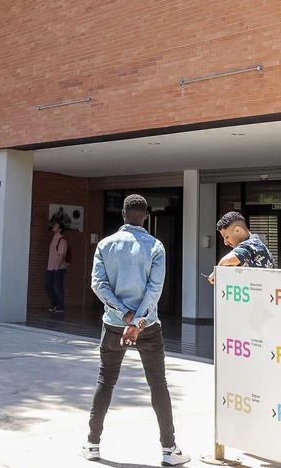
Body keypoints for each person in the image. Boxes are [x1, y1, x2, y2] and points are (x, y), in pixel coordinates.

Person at [82, 194, 190, 466]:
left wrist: (124, 314)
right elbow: (155, 290)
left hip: (113, 325)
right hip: (148, 327)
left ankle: (92, 445)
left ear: (123, 213)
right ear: (146, 215)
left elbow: (98, 285)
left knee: (105, 381)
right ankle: (169, 450)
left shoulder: (105, 246)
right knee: (158, 385)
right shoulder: (155, 246)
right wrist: (138, 320)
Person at [207, 211, 275, 285]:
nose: (225, 243)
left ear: (237, 230)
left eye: (226, 237)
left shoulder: (250, 245)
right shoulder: (257, 243)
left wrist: (216, 273)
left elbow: (226, 260)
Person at [44, 220, 68, 313]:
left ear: (60, 229)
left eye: (56, 225)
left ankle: (60, 306)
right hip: (50, 267)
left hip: (58, 268)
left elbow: (61, 255)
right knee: (48, 285)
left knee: (57, 287)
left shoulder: (62, 240)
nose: (54, 226)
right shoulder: (54, 238)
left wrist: (56, 267)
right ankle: (54, 304)